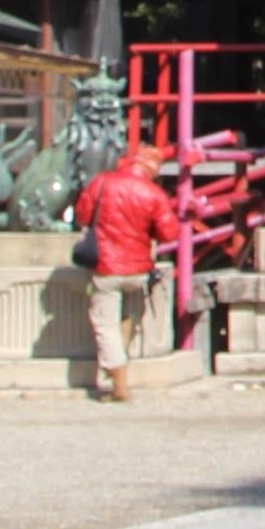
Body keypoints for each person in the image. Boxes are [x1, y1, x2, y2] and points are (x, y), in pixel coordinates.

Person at [72, 146, 181, 402]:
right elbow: (169, 234)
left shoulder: (102, 183)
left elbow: (82, 214)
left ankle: (119, 385)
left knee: (105, 324)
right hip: (139, 269)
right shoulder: (154, 194)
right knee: (129, 315)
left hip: (106, 267)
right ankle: (119, 367)